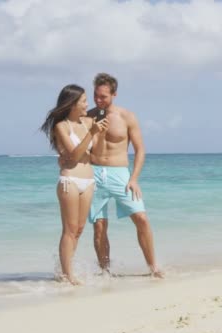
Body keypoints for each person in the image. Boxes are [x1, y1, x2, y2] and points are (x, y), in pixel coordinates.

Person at [86, 73, 162, 277]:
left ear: (114, 94)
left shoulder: (127, 117)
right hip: (94, 173)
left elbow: (140, 150)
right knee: (99, 226)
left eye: (103, 96)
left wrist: (134, 178)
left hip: (120, 173)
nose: (99, 100)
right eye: (96, 95)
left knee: (141, 218)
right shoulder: (88, 116)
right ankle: (105, 273)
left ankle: (153, 268)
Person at [40, 84, 108, 285]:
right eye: (84, 100)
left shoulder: (88, 121)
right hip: (70, 181)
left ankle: (64, 270)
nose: (88, 104)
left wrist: (98, 133)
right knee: (69, 230)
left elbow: (95, 153)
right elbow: (74, 155)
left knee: (78, 229)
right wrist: (92, 132)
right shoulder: (61, 126)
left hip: (88, 181)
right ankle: (69, 275)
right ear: (72, 104)